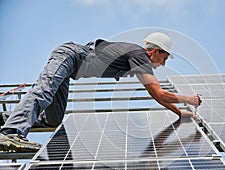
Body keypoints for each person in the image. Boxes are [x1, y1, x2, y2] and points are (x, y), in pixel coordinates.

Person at [0, 32, 202, 152]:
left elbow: (155, 94)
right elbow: (159, 93)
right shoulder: (140, 56)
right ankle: (11, 132)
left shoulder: (138, 60)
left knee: (53, 119)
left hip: (71, 68)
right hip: (69, 55)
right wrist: (188, 100)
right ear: (154, 51)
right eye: (164, 58)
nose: (164, 63)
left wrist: (179, 112)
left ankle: (4, 119)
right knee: (44, 92)